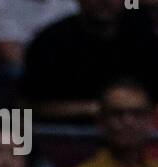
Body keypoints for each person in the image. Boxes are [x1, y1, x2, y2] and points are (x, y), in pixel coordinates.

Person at [23, 0, 158, 122]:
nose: (104, 2)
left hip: (142, 134)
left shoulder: (145, 35)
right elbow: (33, 105)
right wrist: (96, 110)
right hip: (68, 136)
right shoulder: (50, 41)